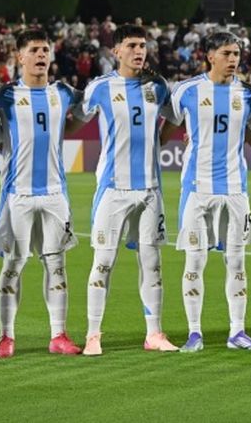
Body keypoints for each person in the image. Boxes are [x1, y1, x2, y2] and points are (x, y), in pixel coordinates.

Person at [162, 32, 251, 352]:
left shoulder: (247, 93)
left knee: (237, 262)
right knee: (195, 261)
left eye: (237, 53)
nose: (233, 59)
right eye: (227, 53)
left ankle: (237, 332)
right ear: (209, 55)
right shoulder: (186, 90)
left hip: (236, 190)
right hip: (197, 190)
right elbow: (165, 130)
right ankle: (195, 333)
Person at [78, 24, 180, 355]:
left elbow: (174, 118)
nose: (139, 51)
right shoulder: (100, 88)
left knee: (151, 262)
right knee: (104, 261)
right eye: (132, 45)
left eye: (143, 45)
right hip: (113, 189)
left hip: (150, 189)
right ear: (116, 51)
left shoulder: (158, 86)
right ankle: (93, 334)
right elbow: (73, 119)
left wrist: (160, 140)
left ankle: (154, 334)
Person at [0, 29, 86, 357]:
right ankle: (6, 337)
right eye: (34, 50)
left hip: (56, 193)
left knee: (56, 264)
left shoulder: (64, 92)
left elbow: (95, 105)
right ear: (20, 57)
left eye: (45, 49)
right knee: (14, 264)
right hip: (18, 194)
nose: (41, 55)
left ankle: (59, 335)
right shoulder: (4, 95)